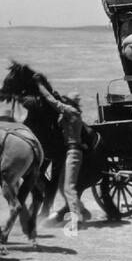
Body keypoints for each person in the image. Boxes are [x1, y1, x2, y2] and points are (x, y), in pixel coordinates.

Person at [46, 91, 90, 225]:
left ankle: (77, 219)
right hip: (70, 152)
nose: (64, 102)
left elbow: (54, 103)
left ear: (70, 103)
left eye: (66, 100)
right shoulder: (70, 113)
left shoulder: (71, 111)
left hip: (73, 152)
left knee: (69, 188)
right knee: (61, 185)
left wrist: (41, 87)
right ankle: (83, 210)